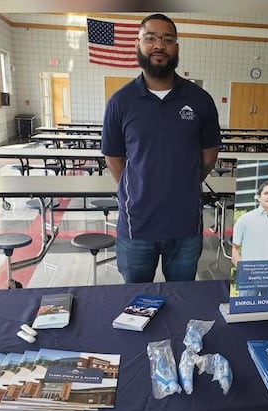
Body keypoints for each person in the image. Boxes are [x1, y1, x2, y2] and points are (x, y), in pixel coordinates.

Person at [101, 14, 221, 284]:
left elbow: (209, 156)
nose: (159, 45)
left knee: (182, 297)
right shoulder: (120, 102)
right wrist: (138, 188)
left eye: (167, 39)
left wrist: (184, 183)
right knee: (135, 299)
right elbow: (113, 157)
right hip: (137, 225)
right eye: (150, 38)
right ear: (137, 45)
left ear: (176, 47)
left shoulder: (200, 100)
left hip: (185, 225)